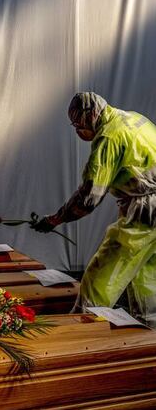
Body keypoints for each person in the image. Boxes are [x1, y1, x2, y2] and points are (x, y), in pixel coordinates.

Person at [32, 92, 156, 327]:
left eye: (78, 125)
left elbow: (89, 197)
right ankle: (149, 340)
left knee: (99, 276)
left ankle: (82, 331)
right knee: (146, 277)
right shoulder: (132, 118)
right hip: (151, 211)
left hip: (144, 213)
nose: (78, 132)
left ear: (91, 116)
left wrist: (55, 220)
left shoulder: (109, 137)